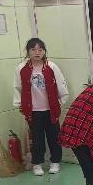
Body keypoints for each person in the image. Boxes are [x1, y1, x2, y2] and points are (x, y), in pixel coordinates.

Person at [14, 38, 69, 176]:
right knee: (37, 139)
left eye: (40, 49)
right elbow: (17, 88)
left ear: (44, 51)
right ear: (28, 52)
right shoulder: (21, 68)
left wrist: (60, 102)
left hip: (50, 110)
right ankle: (37, 164)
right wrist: (19, 104)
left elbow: (61, 85)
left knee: (54, 137)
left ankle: (55, 162)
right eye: (33, 49)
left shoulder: (51, 66)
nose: (37, 52)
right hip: (33, 111)